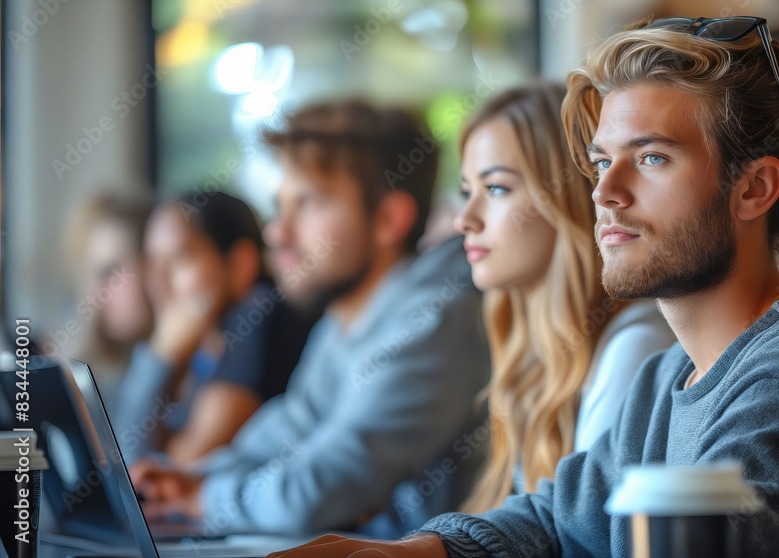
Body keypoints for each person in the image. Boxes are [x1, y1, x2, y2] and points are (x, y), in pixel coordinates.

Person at [269, 16, 779, 557]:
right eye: (599, 163)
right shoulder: (665, 378)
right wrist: (404, 554)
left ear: (753, 187)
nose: (606, 194)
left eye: (650, 158)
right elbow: (558, 519)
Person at [130, 100, 492, 539]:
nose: (277, 232)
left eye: (307, 203)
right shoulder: (343, 317)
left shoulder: (435, 320)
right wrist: (190, 480)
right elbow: (288, 430)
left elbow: (321, 487)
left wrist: (203, 498)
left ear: (388, 219)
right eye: (280, 206)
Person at [454, 82, 674, 513]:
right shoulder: (529, 345)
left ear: (568, 197)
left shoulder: (636, 345)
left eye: (496, 188)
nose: (466, 219)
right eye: (467, 191)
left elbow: (585, 536)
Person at [114, 192, 313, 466]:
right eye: (153, 262)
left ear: (240, 265)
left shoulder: (256, 314)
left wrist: (159, 356)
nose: (159, 281)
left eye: (180, 258)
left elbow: (167, 474)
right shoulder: (204, 343)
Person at [58, 193, 155, 404]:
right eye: (89, 275)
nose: (94, 292)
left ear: (153, 265)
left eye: (110, 271)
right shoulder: (93, 376)